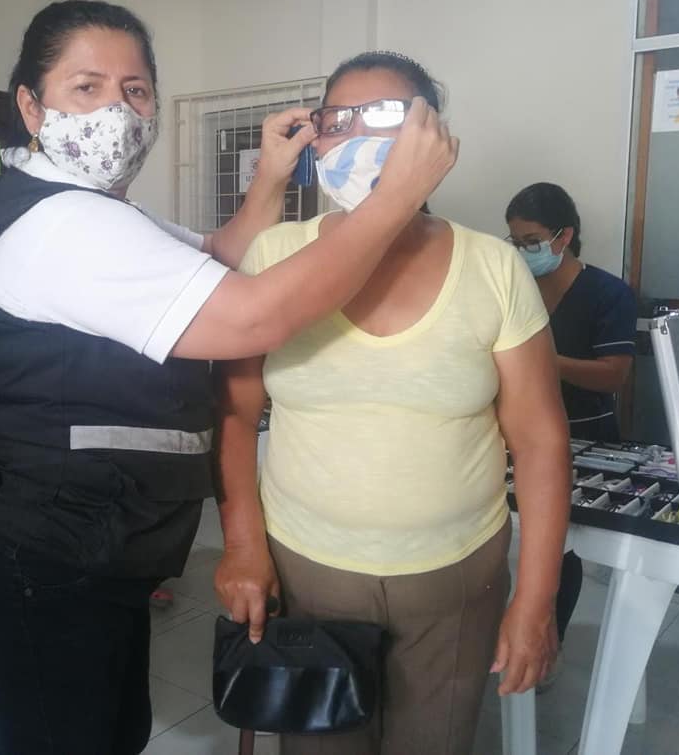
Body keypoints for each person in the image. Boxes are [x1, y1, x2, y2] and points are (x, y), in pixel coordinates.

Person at [0, 2, 457, 755]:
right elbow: (251, 317)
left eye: (136, 90)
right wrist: (395, 198)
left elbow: (214, 259)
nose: (117, 112)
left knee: (112, 732)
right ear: (32, 106)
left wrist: (270, 177)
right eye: (86, 87)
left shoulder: (98, 212)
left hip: (87, 544)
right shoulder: (62, 227)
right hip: (33, 555)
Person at [215, 51, 572, 755]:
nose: (355, 135)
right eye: (337, 120)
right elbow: (233, 415)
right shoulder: (274, 257)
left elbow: (541, 442)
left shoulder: (494, 267)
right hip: (308, 571)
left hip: (455, 578)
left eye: (381, 117)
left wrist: (535, 601)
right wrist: (243, 545)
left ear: (427, 133)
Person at [505, 182, 636, 688]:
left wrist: (545, 360)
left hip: (588, 436)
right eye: (515, 241)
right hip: (517, 434)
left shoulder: (608, 294)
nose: (522, 252)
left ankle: (546, 646)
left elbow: (613, 374)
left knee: (563, 546)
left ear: (564, 237)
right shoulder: (513, 284)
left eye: (531, 241)